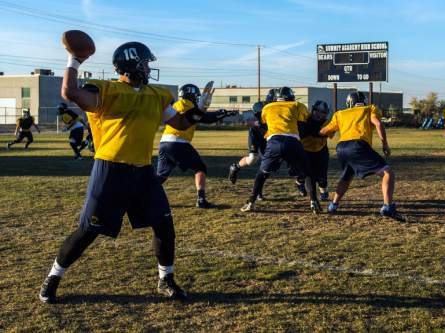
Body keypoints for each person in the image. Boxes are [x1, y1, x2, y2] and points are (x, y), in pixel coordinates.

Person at [39, 40, 210, 303]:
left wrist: (200, 110)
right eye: (145, 62)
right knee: (89, 231)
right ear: (133, 63)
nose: (149, 67)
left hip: (143, 172)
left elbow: (180, 122)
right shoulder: (107, 89)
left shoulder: (157, 94)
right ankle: (54, 276)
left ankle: (166, 279)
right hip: (110, 170)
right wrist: (74, 60)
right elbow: (70, 93)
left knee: (164, 226)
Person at [320, 91, 403, 221]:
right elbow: (378, 124)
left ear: (349, 103)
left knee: (347, 176)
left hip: (341, 148)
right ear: (363, 102)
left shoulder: (340, 114)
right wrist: (385, 144)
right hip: (358, 146)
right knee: (388, 173)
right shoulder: (369, 109)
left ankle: (333, 205)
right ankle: (388, 207)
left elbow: (324, 131)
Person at [240, 87, 321, 214]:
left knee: (261, 173)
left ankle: (251, 201)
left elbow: (263, 124)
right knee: (307, 173)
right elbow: (304, 122)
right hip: (293, 141)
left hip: (274, 142)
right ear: (290, 97)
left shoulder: (267, 107)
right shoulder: (297, 105)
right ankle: (314, 201)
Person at [157, 83, 236, 208]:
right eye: (196, 95)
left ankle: (141, 197)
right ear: (191, 95)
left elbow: (200, 116)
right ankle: (201, 200)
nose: (197, 98)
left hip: (164, 143)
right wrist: (221, 113)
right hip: (178, 142)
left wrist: (221, 113)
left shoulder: (177, 104)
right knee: (200, 168)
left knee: (161, 176)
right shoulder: (186, 104)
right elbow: (204, 118)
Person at [228, 88, 276, 200]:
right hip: (256, 134)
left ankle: (258, 191)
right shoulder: (261, 107)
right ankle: (235, 167)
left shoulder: (281, 108)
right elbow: (252, 122)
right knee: (252, 159)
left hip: (269, 136)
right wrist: (257, 123)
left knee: (267, 165)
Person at [294, 100, 331, 201]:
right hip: (305, 150)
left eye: (323, 112)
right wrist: (306, 130)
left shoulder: (327, 122)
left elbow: (319, 133)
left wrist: (307, 129)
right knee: (303, 174)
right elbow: (301, 133)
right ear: (312, 110)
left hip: (321, 150)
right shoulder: (304, 118)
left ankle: (323, 191)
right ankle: (299, 182)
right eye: (318, 111)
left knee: (322, 177)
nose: (320, 114)